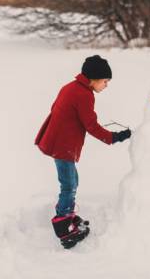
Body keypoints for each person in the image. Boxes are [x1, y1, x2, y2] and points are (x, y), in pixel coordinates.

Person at [35, 55, 131, 249]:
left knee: (72, 181)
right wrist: (115, 137)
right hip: (63, 145)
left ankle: (66, 212)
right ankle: (63, 226)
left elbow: (56, 109)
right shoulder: (84, 94)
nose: (106, 85)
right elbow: (92, 126)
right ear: (94, 79)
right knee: (69, 185)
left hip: (59, 142)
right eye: (105, 81)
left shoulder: (71, 87)